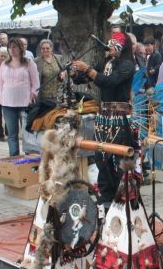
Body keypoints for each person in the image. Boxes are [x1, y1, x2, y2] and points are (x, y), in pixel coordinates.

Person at [71, 31, 139, 204]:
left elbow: (109, 81)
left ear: (122, 48)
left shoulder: (128, 64)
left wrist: (88, 69)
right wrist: (75, 73)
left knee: (117, 156)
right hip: (104, 115)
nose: (110, 48)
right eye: (110, 45)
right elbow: (86, 77)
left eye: (114, 46)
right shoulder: (106, 61)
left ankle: (121, 194)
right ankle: (105, 195)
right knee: (101, 155)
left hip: (119, 115)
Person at [0, 37, 39, 156]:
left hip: (25, 103)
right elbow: (0, 83)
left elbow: (36, 83)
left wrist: (33, 93)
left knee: (27, 133)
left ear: (20, 48)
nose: (12, 50)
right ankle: (14, 158)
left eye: (14, 47)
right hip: (7, 103)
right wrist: (0, 95)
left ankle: (29, 157)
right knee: (12, 134)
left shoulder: (29, 63)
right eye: (10, 47)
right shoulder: (4, 64)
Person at [34, 39, 64, 103]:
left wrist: (63, 73)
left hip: (58, 94)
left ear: (51, 48)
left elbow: (64, 69)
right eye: (43, 48)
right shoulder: (36, 61)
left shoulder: (59, 58)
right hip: (44, 96)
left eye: (47, 48)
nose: (45, 50)